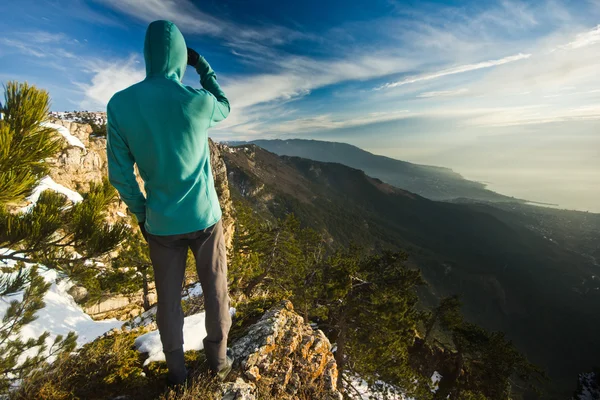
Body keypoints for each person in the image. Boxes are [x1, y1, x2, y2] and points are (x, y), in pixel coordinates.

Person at [106, 20, 232, 386]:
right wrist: (202, 65)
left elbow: (120, 174)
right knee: (215, 291)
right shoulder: (196, 101)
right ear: (179, 55)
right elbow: (224, 105)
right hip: (205, 219)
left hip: (160, 224)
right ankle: (219, 362)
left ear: (147, 56)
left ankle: (177, 375)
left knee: (169, 303)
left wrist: (143, 213)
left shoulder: (120, 104)